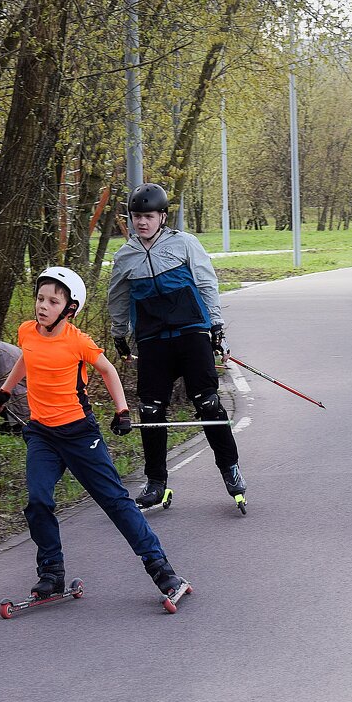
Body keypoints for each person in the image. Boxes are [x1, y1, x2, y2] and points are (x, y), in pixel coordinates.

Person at [0, 266, 185, 599]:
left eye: (53, 301)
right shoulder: (27, 332)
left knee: (115, 501)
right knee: (38, 501)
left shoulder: (78, 341)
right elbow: (26, 359)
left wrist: (122, 411)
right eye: (40, 298)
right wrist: (6, 392)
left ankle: (163, 572)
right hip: (42, 435)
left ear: (69, 308)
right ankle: (51, 573)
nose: (42, 306)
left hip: (80, 434)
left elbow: (108, 370)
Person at [107, 182, 246, 512]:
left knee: (208, 403)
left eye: (148, 216)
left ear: (162, 217)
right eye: (136, 216)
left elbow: (206, 283)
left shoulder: (184, 244)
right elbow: (118, 297)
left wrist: (216, 328)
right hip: (153, 339)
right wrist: (119, 334)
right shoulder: (125, 256)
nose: (141, 222)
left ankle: (230, 470)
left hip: (191, 333)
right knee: (152, 410)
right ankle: (156, 482)